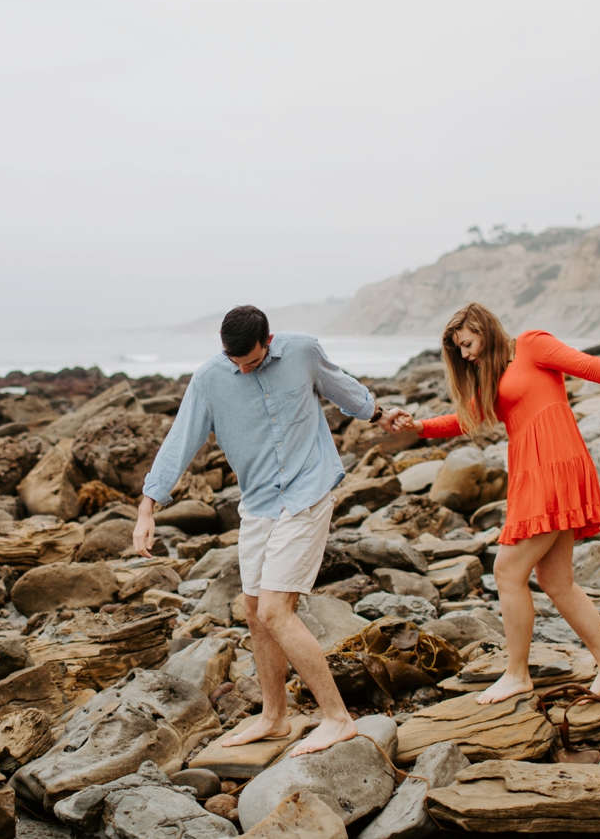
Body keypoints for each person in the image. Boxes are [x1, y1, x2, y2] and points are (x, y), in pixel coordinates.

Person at [383, 303, 600, 704]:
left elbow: (588, 366)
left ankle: (516, 674)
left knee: (507, 570)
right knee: (555, 581)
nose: (465, 355)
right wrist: (418, 426)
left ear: (484, 329)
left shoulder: (533, 344)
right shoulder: (493, 375)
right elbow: (467, 418)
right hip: (533, 471)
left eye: (467, 344)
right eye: (458, 349)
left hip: (554, 466)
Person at [134, 305, 404, 756]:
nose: (242, 369)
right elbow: (180, 441)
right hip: (258, 505)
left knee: (278, 610)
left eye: (252, 362)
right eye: (234, 361)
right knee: (255, 610)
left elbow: (343, 388)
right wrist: (148, 508)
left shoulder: (302, 351)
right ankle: (275, 717)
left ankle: (338, 719)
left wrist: (381, 414)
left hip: (308, 491)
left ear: (270, 341)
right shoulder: (210, 379)